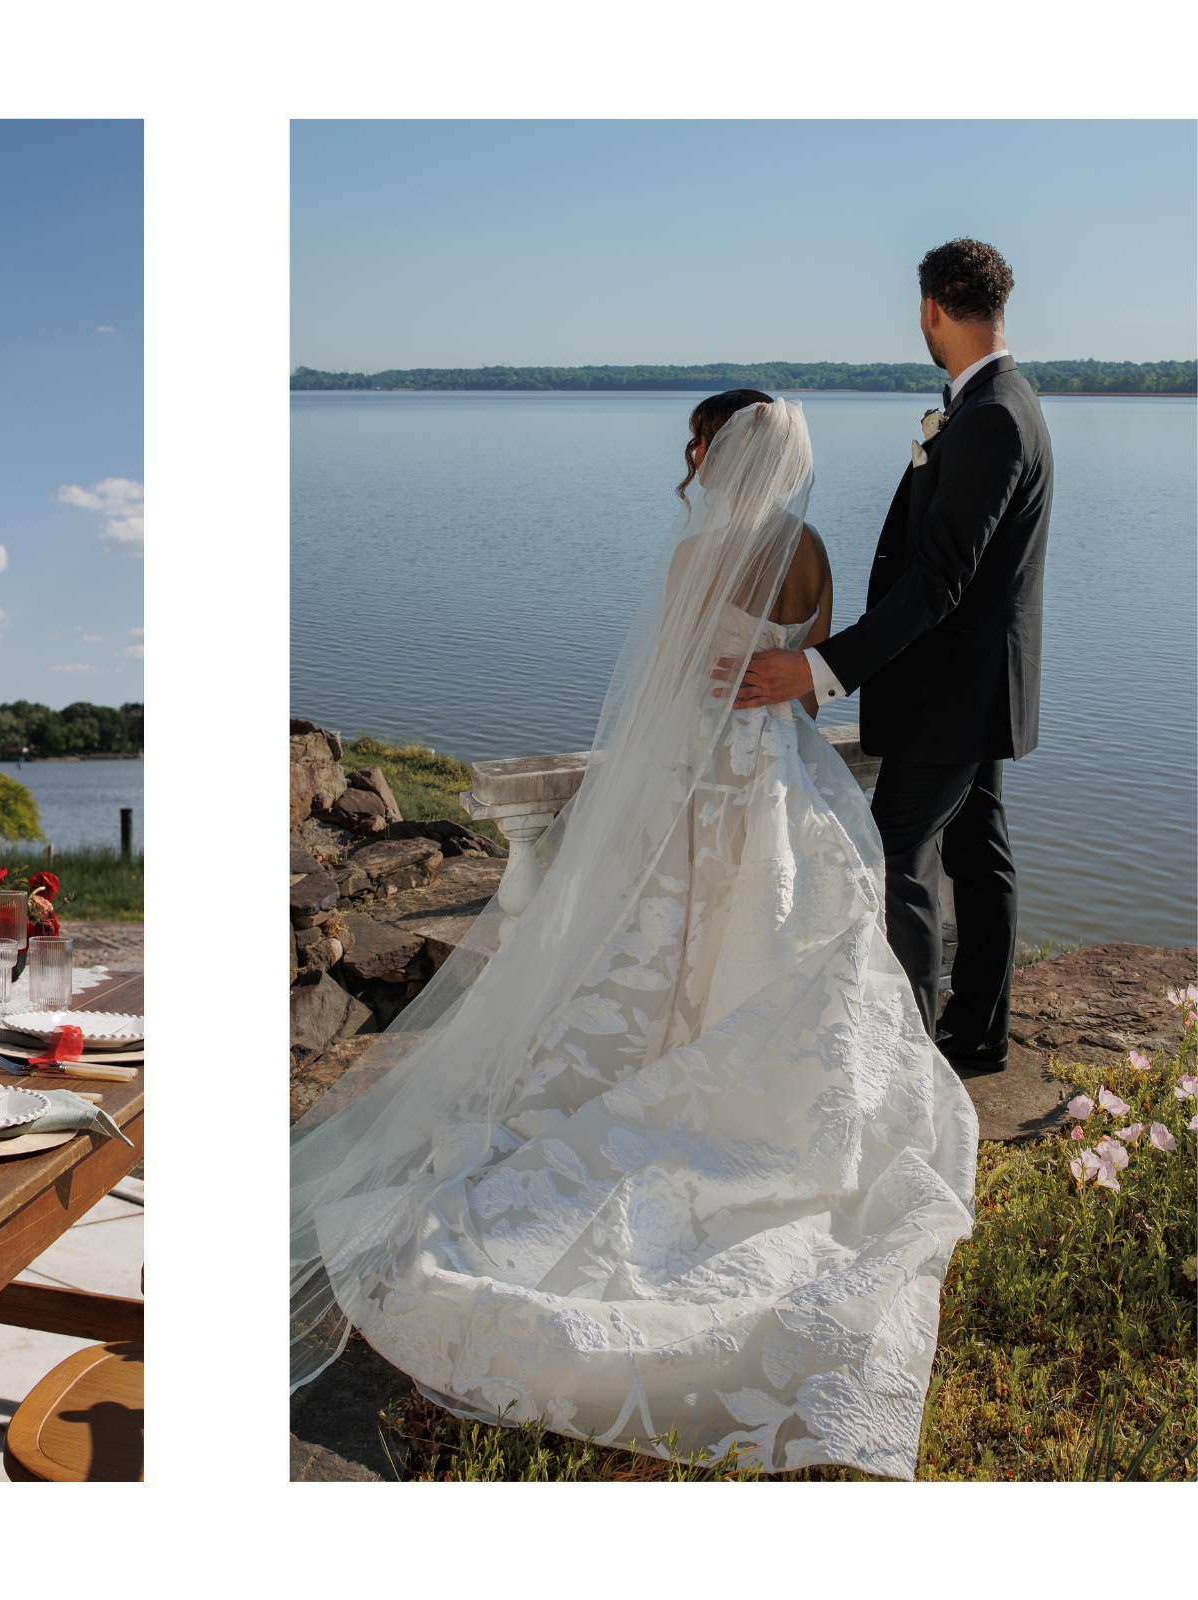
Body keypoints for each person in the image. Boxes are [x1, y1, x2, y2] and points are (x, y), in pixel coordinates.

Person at [289, 393, 978, 1480]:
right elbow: (799, 665)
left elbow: (661, 686)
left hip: (699, 767)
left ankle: (659, 1077)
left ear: (719, 451)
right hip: (778, 771)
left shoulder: (696, 555)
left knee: (648, 936)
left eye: (696, 444)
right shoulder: (807, 549)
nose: (688, 460)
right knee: (780, 930)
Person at [733, 239, 1051, 1076]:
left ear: (930, 310)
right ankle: (977, 1034)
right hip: (979, 685)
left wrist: (819, 667)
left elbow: (940, 580)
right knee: (980, 858)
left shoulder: (989, 419)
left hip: (951, 689)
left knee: (895, 858)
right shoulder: (1005, 401)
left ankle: (911, 1059)